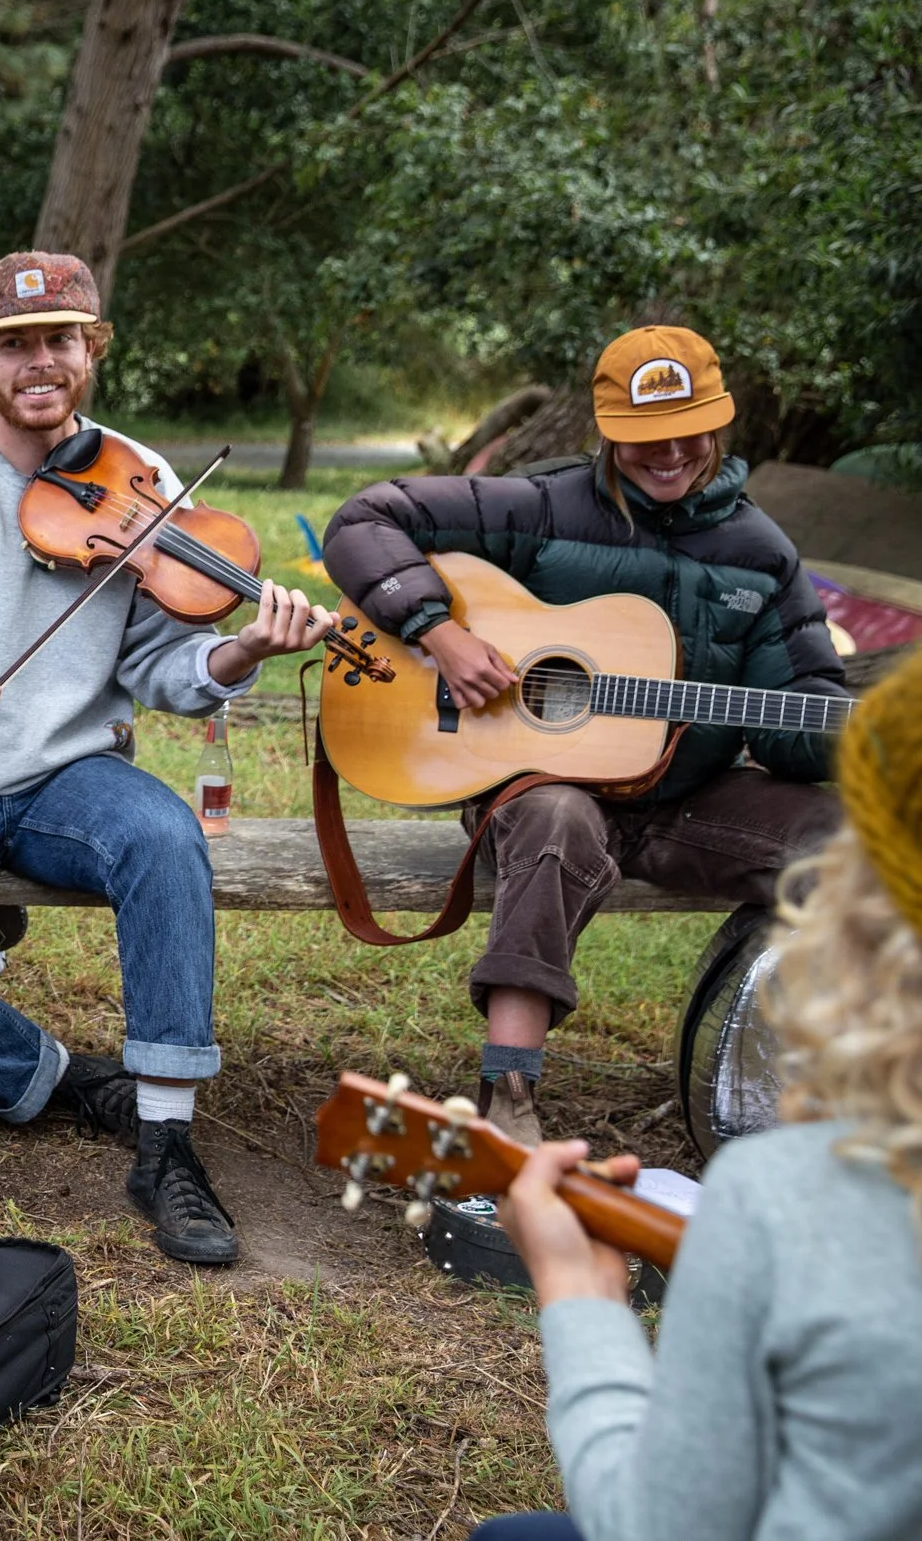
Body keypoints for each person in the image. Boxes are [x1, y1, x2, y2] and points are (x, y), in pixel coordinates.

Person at [0, 251, 336, 1267]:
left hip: (69, 775)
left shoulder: (143, 480)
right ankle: (64, 1080)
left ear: (91, 351)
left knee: (163, 838)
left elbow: (162, 666)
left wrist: (244, 651)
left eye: (60, 340)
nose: (39, 361)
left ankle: (166, 1139)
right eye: (13, 346)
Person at [322, 326, 845, 1143]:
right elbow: (365, 519)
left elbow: (796, 723)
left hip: (687, 801)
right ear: (606, 430)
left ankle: (816, 1095)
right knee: (557, 820)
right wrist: (439, 632)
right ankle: (508, 1102)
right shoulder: (539, 506)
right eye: (644, 437)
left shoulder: (762, 556)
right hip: (540, 787)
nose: (669, 454)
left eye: (688, 431)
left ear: (720, 422)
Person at [470, 649, 922, 1541]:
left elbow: (661, 1523)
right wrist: (427, 617)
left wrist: (580, 1294)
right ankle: (509, 1081)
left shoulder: (792, 1195)